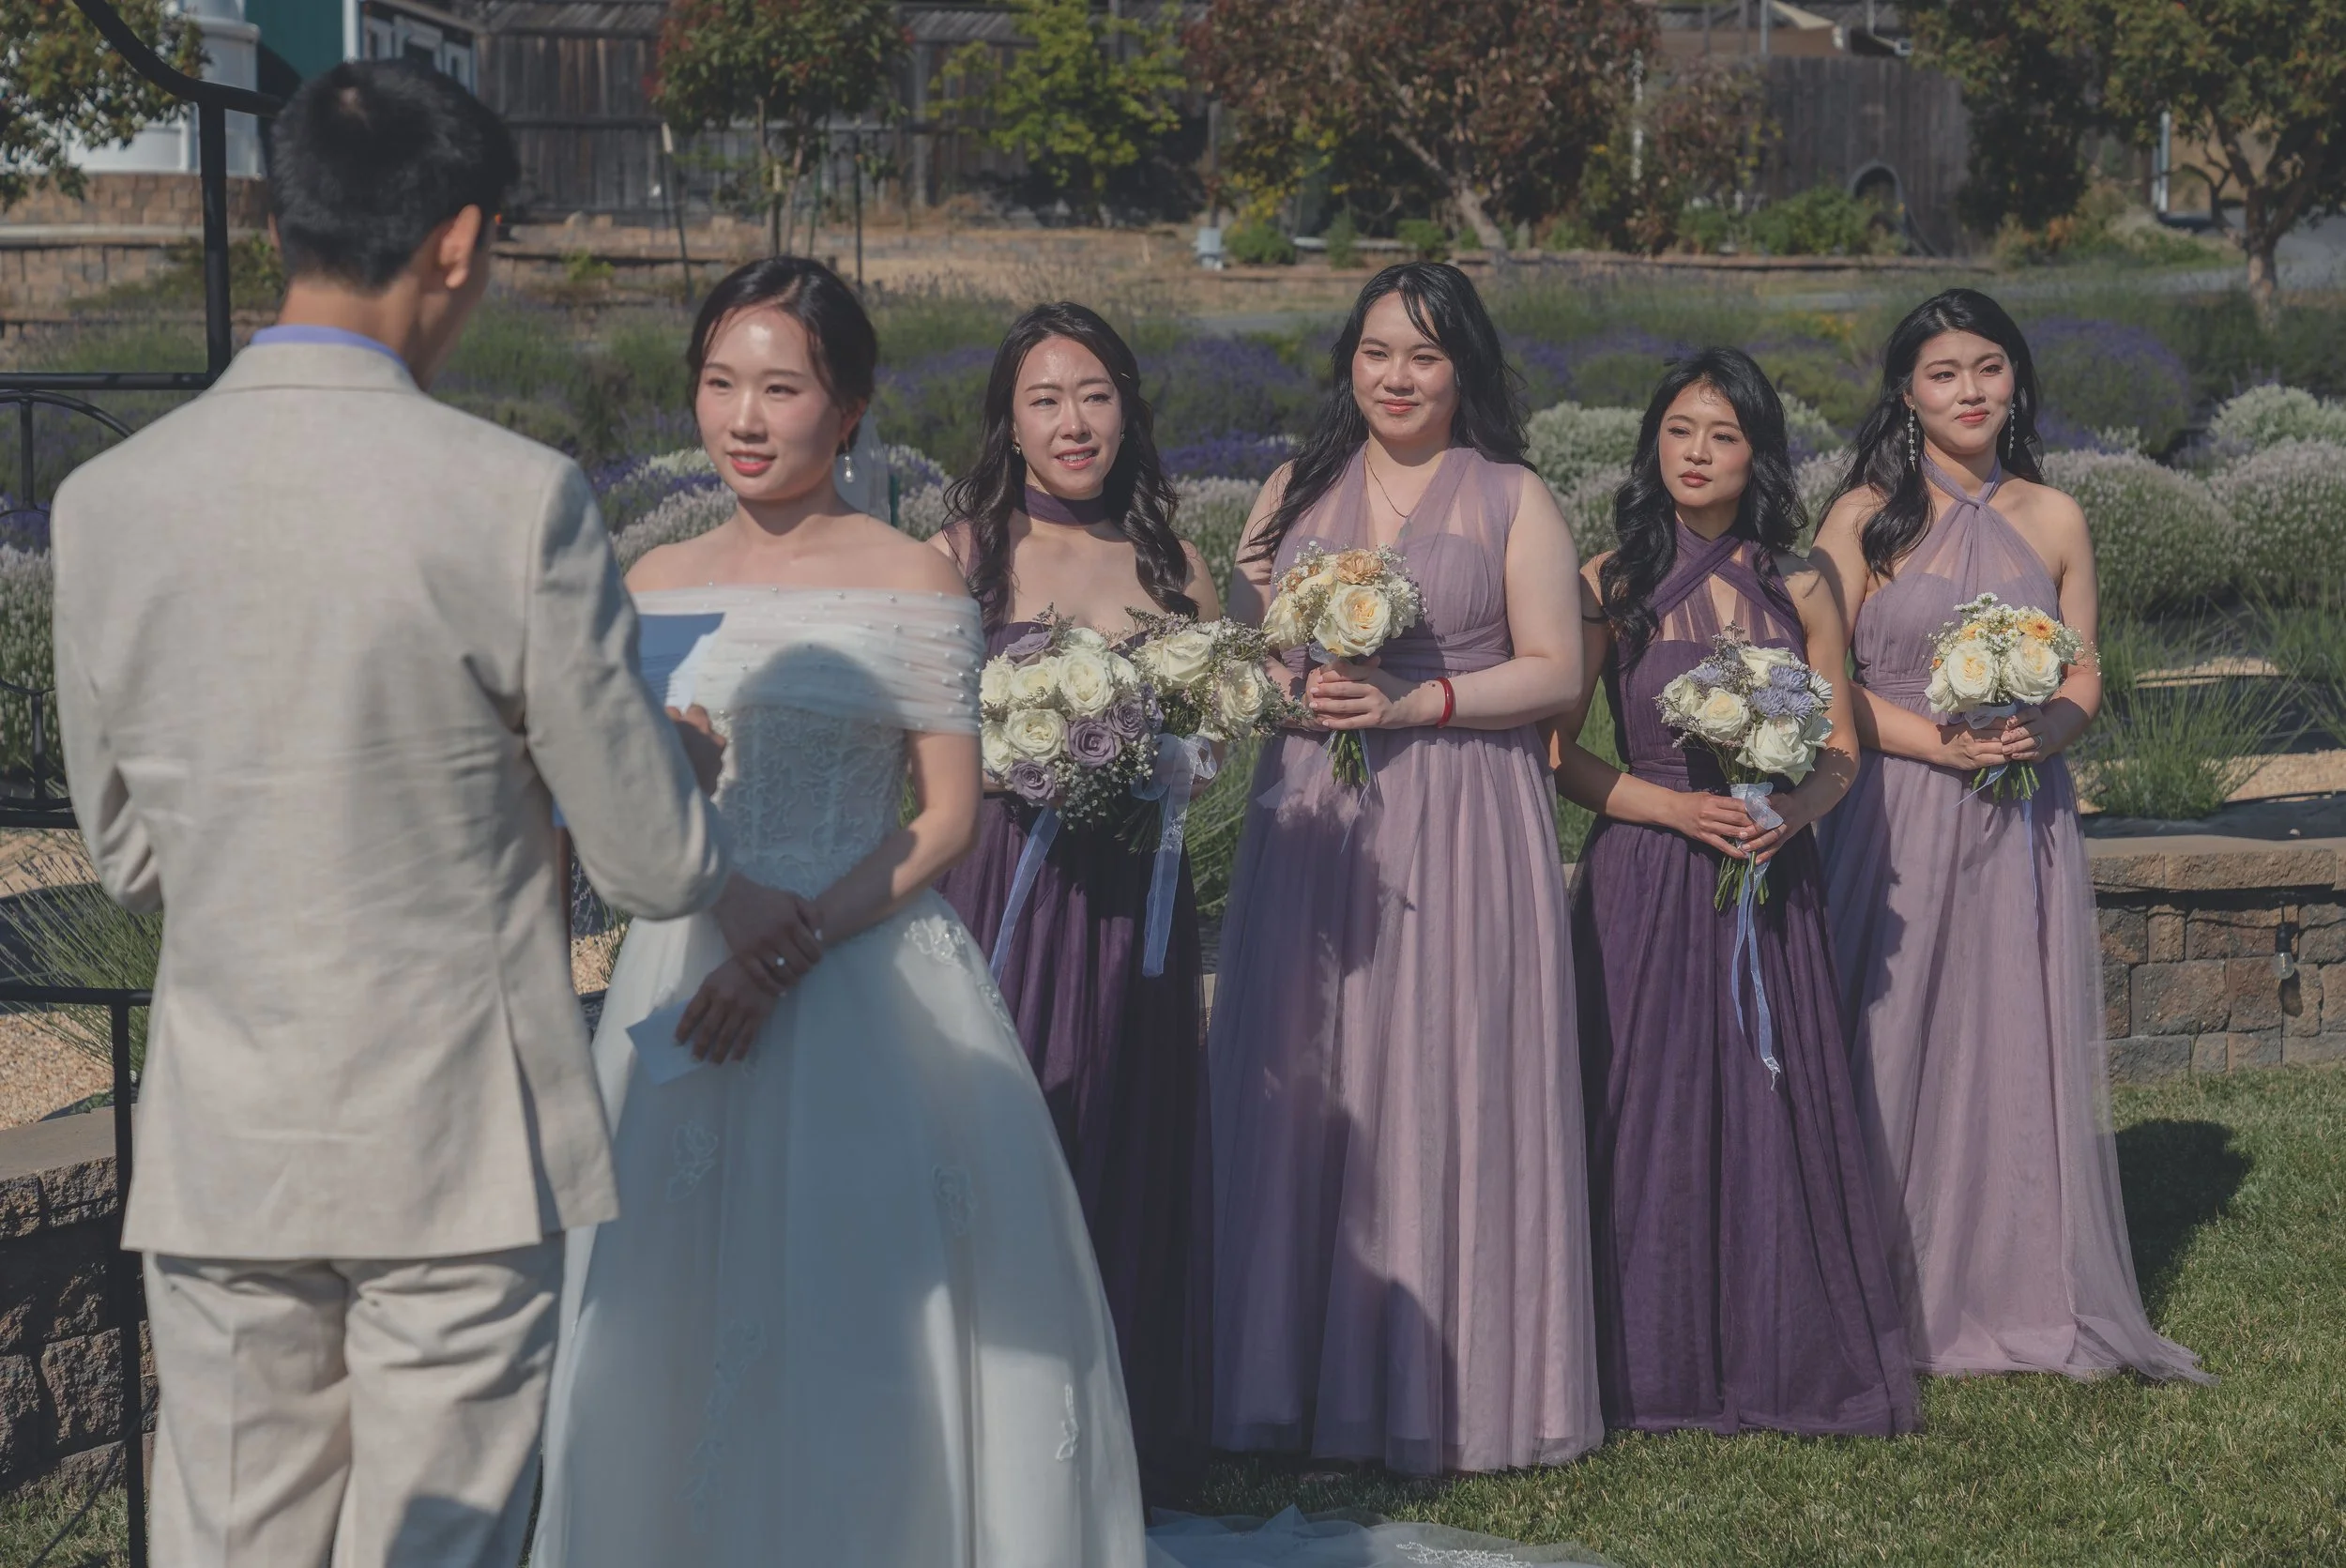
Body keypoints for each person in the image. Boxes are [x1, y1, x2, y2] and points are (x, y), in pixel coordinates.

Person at [50, 62, 814, 1568]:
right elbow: (656, 866)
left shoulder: (107, 499)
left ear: (279, 219)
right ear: (461, 240)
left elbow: (128, 854)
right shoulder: (508, 496)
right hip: (455, 1134)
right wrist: (667, 756)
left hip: (226, 1131)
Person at [531, 258, 1148, 1565]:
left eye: (782, 385)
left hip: (866, 973)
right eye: (719, 382)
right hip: (683, 971)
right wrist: (708, 865)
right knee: (666, 1308)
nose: (745, 416)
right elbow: (620, 801)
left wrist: (790, 940)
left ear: (852, 405)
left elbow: (945, 818)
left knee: (860, 1301)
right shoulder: (651, 579)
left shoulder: (913, 581)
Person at [1205, 262, 1602, 1475]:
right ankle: (1281, 1370)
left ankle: (1462, 1382)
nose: (1398, 376)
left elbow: (1553, 670)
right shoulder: (1292, 489)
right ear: (1351, 359)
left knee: (1448, 1071)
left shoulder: (1514, 495)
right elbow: (1247, 645)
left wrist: (1419, 696)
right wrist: (1296, 691)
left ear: (1463, 368)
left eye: (1425, 355)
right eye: (1378, 351)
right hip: (1318, 818)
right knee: (1317, 1073)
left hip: (1465, 811)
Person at [1811, 289, 2207, 1383]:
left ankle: (2008, 1278)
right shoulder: (1859, 516)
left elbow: (2084, 669)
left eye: (1989, 368)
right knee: (1881, 1032)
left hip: (2018, 816)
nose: (1971, 391)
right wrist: (1931, 746)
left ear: (2016, 379)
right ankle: (1875, 1276)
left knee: (2004, 1034)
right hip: (1888, 805)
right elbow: (1821, 678)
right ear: (1906, 391)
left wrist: (2049, 728)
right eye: (1944, 373)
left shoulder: (2054, 515)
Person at [1552, 349, 1918, 1437]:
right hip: (1646, 872)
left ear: (1756, 450)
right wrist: (1671, 811)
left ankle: (1776, 1348)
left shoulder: (1799, 579)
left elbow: (1842, 750)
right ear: (1651, 443)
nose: (1696, 454)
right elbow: (1557, 754)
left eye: (1720, 434)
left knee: (1768, 1104)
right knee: (1643, 1103)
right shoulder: (1607, 580)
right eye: (1678, 432)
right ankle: (1639, 1358)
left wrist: (1791, 814)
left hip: (1768, 877)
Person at [929, 302, 1218, 1503]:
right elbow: (919, 738)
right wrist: (1012, 752)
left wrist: (1175, 753)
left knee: (1126, 1121)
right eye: (1044, 399)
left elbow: (1211, 721)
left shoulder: (1177, 563)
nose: (1072, 422)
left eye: (1093, 394)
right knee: (1005, 1129)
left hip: (1131, 898)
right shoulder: (961, 554)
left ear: (1127, 406)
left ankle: (1119, 1417)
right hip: (1001, 882)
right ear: (1009, 418)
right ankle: (983, 1415)